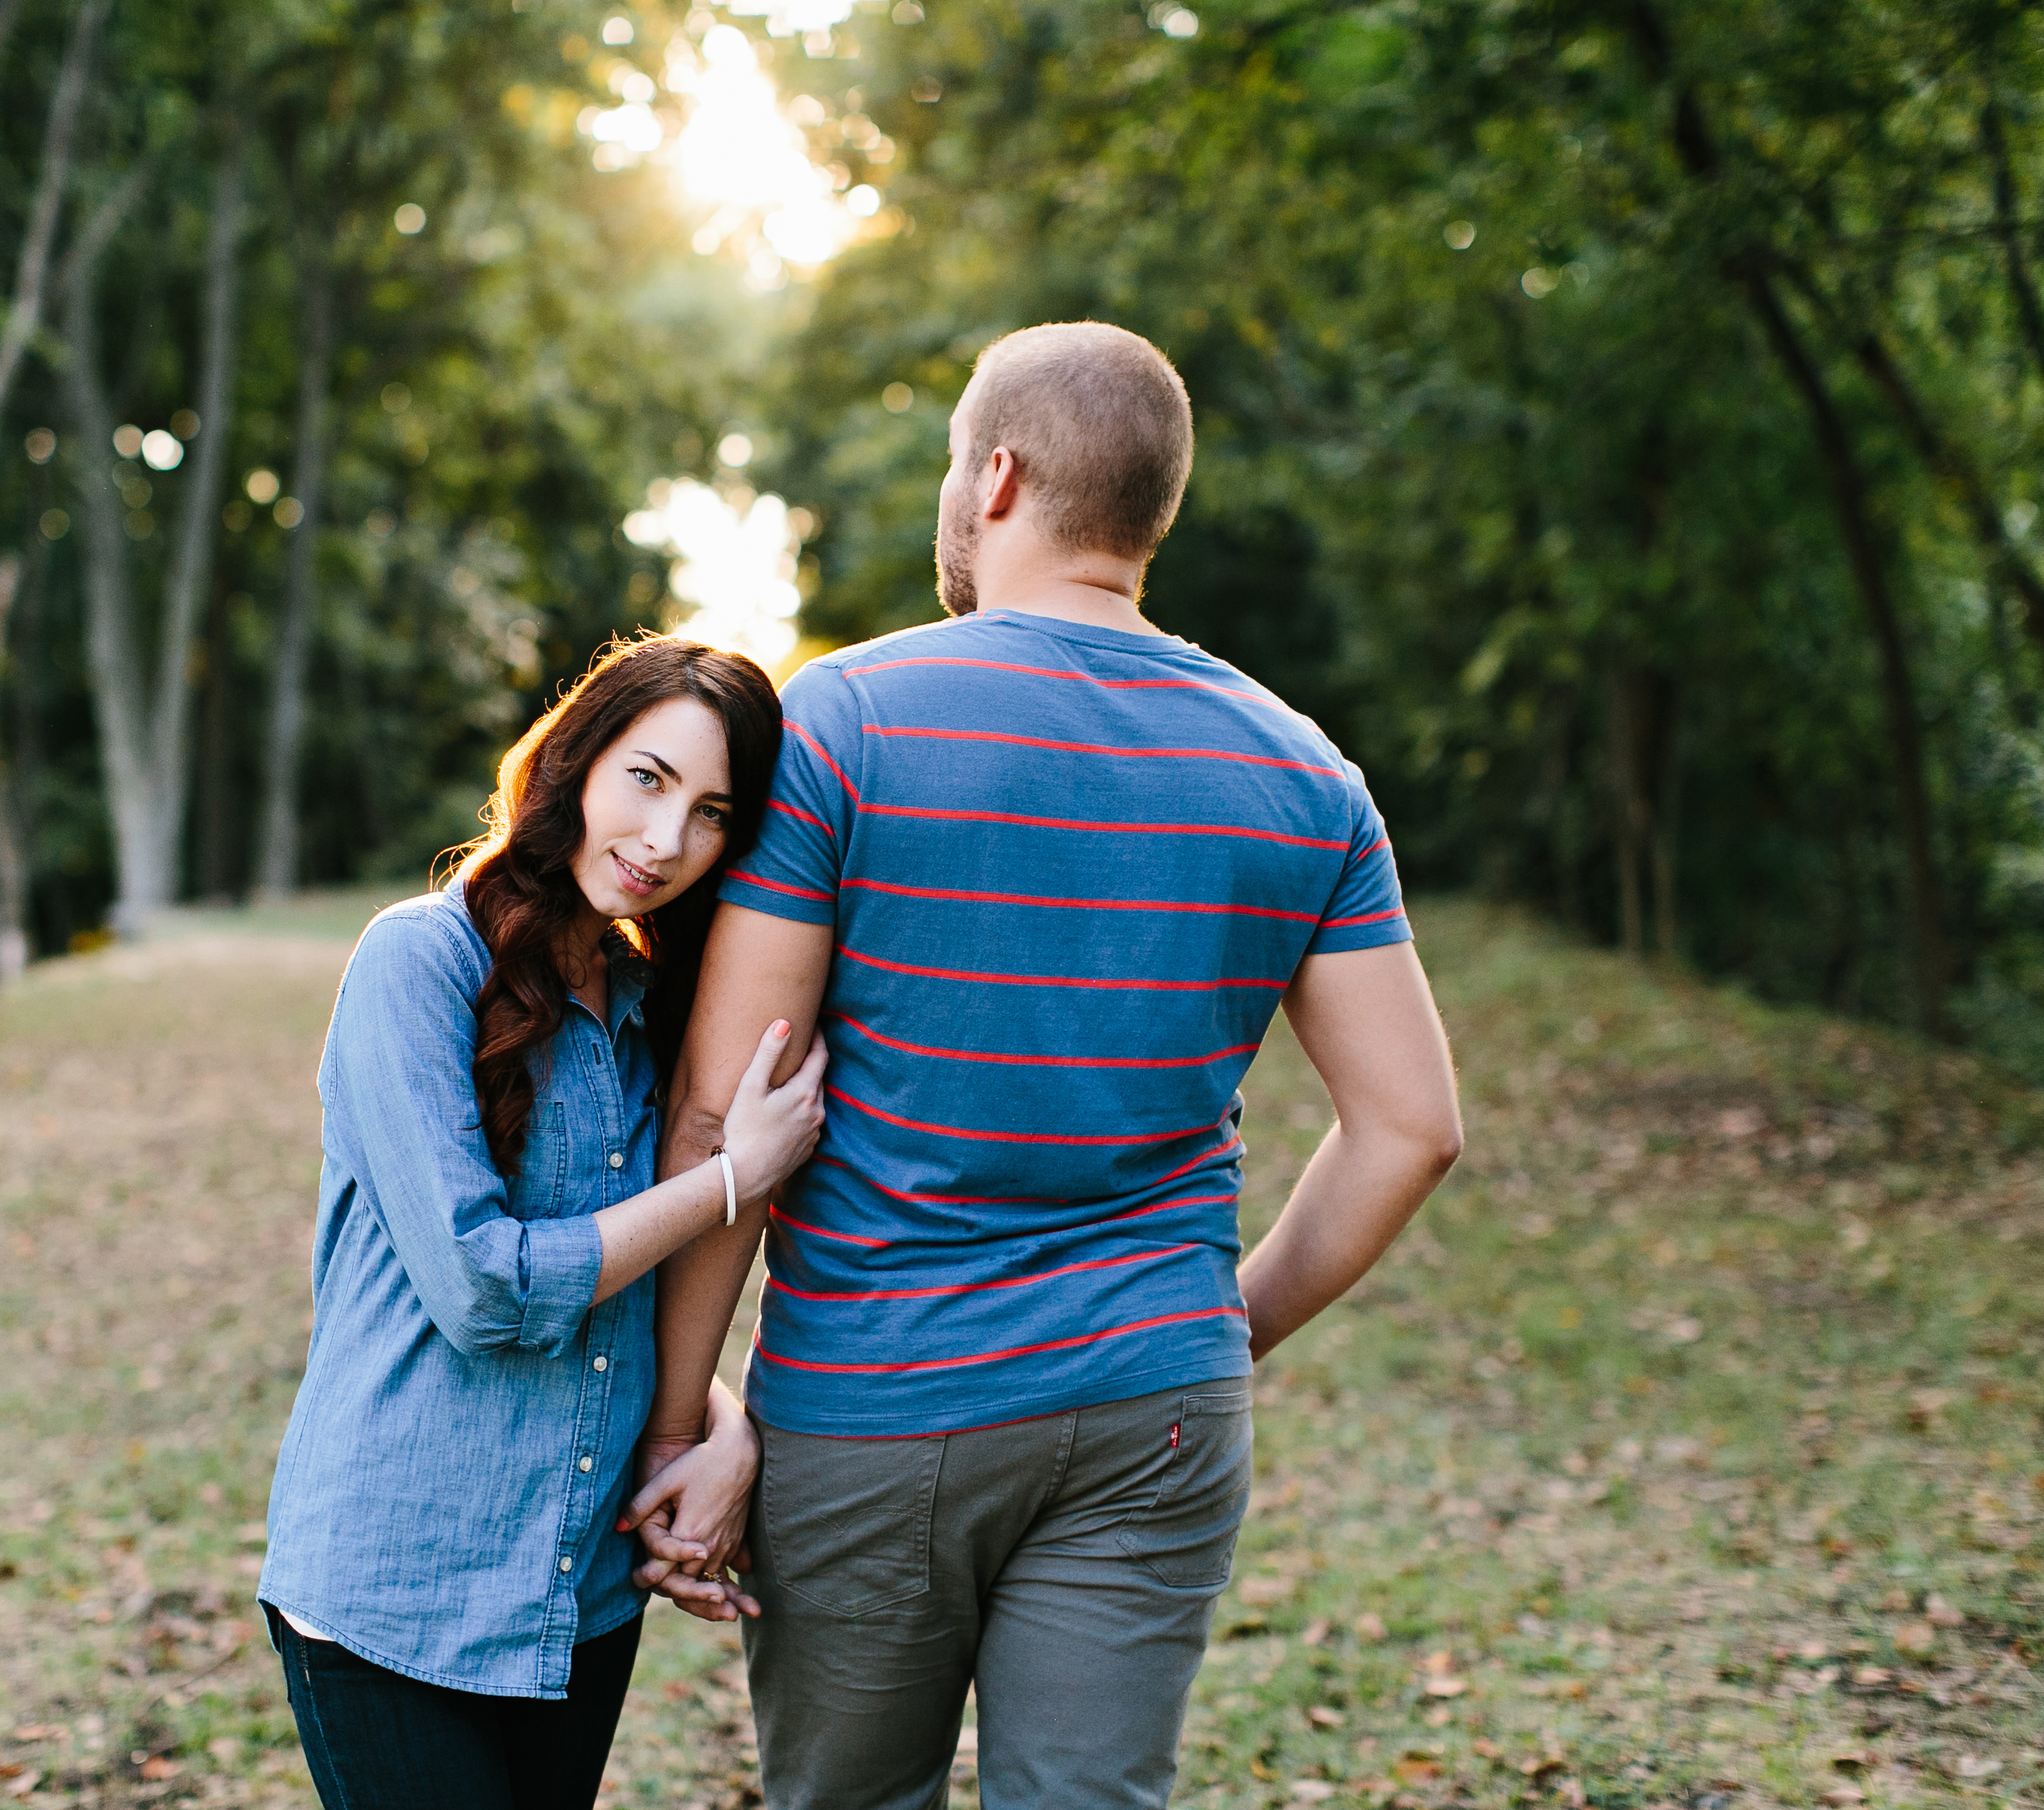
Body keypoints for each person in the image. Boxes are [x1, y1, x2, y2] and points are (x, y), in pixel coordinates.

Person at [628, 322, 1467, 1810]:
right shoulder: (1304, 773)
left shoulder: (841, 722)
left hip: (873, 1403)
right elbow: (1409, 1128)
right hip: (1156, 1403)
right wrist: (1212, 1328)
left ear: (996, 477)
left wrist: (684, 1421)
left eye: (959, 464)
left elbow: (721, 1110)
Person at [256, 636, 828, 1810]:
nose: (667, 842)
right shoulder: (416, 964)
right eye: (649, 780)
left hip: (576, 1594)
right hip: (393, 1596)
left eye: (713, 813)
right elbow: (485, 1290)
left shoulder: (647, 1010)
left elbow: (614, 1289)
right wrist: (728, 1180)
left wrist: (719, 1423)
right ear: (575, 763)